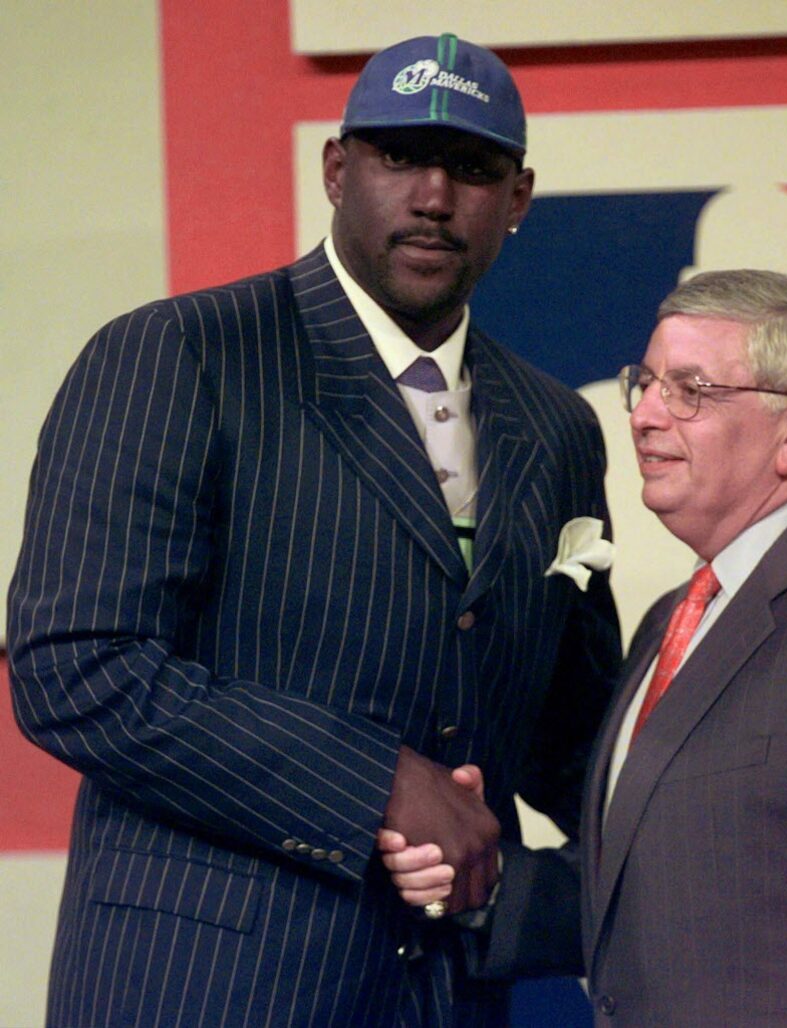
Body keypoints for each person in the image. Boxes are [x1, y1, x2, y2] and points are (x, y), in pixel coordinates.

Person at [6, 32, 620, 1027]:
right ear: (337, 169)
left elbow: (569, 728)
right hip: (200, 989)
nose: (431, 194)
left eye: (471, 167)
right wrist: (374, 779)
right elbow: (76, 665)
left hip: (449, 995)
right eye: (396, 157)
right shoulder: (178, 354)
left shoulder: (555, 426)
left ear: (516, 197)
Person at [383, 268, 787, 1024]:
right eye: (646, 382)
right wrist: (479, 880)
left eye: (692, 390)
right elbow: (670, 880)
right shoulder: (674, 618)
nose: (647, 415)